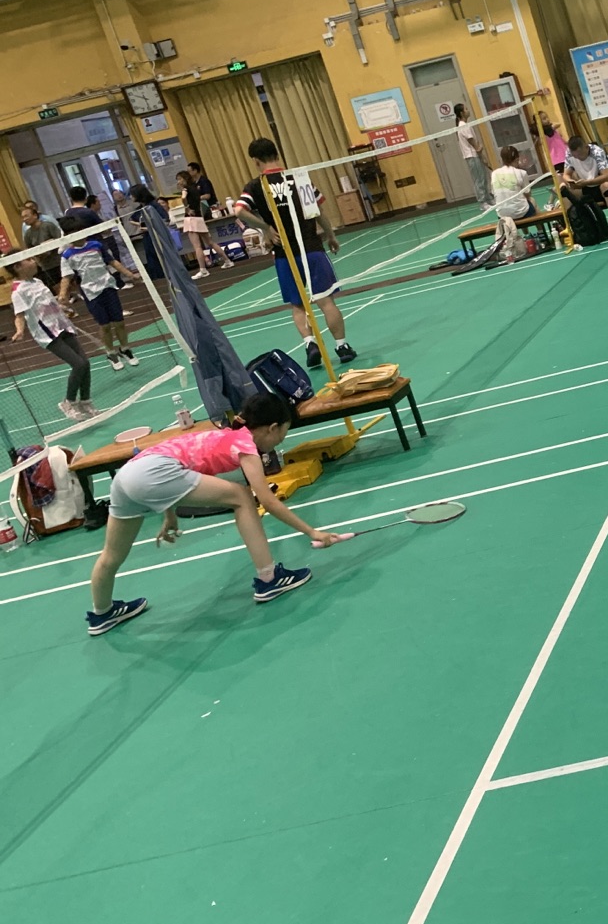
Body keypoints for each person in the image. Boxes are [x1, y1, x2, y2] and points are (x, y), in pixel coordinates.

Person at [82, 390, 354, 635]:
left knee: (111, 554)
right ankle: (269, 578)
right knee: (242, 497)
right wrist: (312, 531)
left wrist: (169, 513)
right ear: (272, 428)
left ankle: (102, 613)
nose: (281, 439)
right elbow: (267, 501)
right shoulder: (246, 445)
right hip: (153, 473)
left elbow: (173, 475)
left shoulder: (226, 435)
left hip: (127, 475)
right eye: (283, 433)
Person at [234, 138, 358, 368]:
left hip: (285, 255)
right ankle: (342, 346)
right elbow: (317, 211)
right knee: (326, 301)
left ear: (256, 161)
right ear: (277, 154)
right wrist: (331, 235)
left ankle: (310, 344)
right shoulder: (299, 179)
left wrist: (266, 227)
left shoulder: (255, 186)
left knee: (298, 305)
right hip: (311, 249)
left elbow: (239, 210)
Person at [9, 255, 94, 421]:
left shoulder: (37, 281)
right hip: (47, 333)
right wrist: (19, 331)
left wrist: (62, 306)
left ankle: (85, 401)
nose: (34, 261)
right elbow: (19, 315)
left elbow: (46, 303)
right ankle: (68, 402)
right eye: (29, 259)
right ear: (18, 267)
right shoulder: (18, 291)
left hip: (62, 325)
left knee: (85, 363)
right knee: (78, 364)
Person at [59, 232, 139, 371]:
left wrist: (129, 274)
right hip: (91, 293)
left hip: (108, 287)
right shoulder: (67, 255)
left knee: (119, 322)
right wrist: (62, 294)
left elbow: (112, 261)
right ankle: (111, 353)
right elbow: (66, 277)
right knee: (105, 325)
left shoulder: (96, 245)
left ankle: (125, 349)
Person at [560, 135, 608, 235]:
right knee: (564, 190)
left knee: (606, 186)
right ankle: (570, 226)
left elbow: (606, 176)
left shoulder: (597, 152)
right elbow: (566, 174)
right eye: (575, 156)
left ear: (586, 147)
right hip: (587, 187)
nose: (578, 158)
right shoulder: (569, 153)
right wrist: (570, 181)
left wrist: (586, 182)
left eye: (580, 155)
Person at [176, 168, 215, 276]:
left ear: (184, 179)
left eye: (179, 179)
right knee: (210, 242)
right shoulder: (195, 188)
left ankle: (203, 269)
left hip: (190, 218)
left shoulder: (186, 189)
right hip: (198, 217)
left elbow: (183, 198)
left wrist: (187, 208)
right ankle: (227, 260)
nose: (178, 182)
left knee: (197, 246)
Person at [454, 103, 493, 209]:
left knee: (483, 177)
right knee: (479, 179)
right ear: (461, 113)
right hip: (472, 156)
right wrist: (480, 151)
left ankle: (488, 198)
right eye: (466, 109)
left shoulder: (466, 125)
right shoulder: (463, 126)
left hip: (475, 155)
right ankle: (482, 202)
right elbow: (471, 141)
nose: (468, 110)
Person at [20, 201, 63, 288]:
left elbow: (61, 239)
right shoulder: (27, 234)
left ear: (35, 215)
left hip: (59, 260)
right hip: (46, 266)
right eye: (23, 217)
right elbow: (30, 250)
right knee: (56, 287)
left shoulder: (48, 225)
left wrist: (49, 244)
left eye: (26, 216)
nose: (24, 219)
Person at [490, 144, 537, 221]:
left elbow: (493, 193)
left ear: (502, 159)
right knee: (532, 200)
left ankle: (524, 230)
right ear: (517, 159)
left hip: (502, 215)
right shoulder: (522, 173)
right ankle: (540, 227)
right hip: (521, 213)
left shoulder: (494, 174)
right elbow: (528, 194)